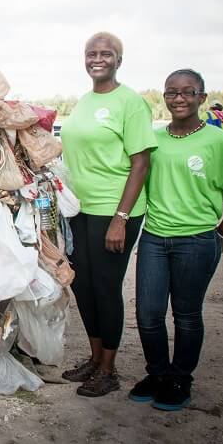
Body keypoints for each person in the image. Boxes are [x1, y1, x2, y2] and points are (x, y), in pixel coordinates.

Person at [130, 69, 223, 411]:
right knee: (148, 313)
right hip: (155, 238)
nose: (179, 98)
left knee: (186, 315)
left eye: (188, 92)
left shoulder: (222, 142)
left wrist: (222, 234)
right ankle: (157, 373)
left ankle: (180, 379)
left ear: (202, 97)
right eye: (172, 92)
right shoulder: (154, 141)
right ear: (165, 97)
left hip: (198, 241)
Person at [59, 31, 157, 397]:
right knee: (83, 286)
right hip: (79, 210)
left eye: (106, 53)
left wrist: (121, 217)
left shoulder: (131, 103)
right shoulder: (84, 101)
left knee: (105, 287)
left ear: (119, 59)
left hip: (113, 211)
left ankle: (109, 370)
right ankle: (95, 358)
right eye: (91, 53)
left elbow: (141, 163)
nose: (97, 59)